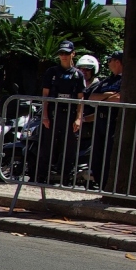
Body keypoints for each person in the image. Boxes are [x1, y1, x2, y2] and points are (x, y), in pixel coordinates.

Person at [35, 40, 86, 182]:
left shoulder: (78, 75)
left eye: (67, 53)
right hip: (52, 112)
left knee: (69, 147)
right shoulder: (51, 72)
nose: (64, 56)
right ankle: (42, 175)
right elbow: (45, 95)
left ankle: (66, 177)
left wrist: (78, 118)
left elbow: (81, 98)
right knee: (47, 145)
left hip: (69, 114)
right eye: (61, 53)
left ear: (73, 54)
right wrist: (44, 115)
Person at [76, 51, 122, 189]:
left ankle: (107, 185)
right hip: (100, 122)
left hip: (113, 121)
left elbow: (121, 98)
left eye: (110, 61)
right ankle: (99, 182)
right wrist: (109, 96)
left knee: (108, 155)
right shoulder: (107, 80)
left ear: (117, 62)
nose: (108, 64)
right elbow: (92, 97)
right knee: (97, 155)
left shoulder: (126, 80)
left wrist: (103, 98)